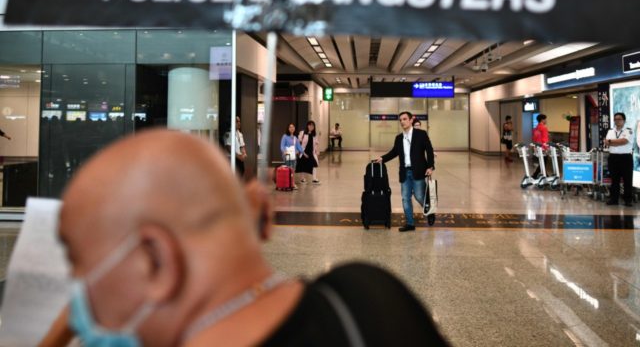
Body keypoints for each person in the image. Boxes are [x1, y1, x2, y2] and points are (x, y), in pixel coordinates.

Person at [41, 130, 449, 346]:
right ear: (263, 215)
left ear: (155, 261)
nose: (76, 290)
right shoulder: (367, 298)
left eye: (78, 259)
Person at [376, 111, 436, 231]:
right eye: (400, 120)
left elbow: (429, 150)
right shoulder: (399, 138)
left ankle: (430, 213)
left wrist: (430, 167)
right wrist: (383, 158)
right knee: (405, 198)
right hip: (405, 172)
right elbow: (394, 152)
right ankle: (410, 223)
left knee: (419, 196)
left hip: (418, 171)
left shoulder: (421, 134)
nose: (402, 122)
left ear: (411, 120)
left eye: (404, 119)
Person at [605, 112, 634, 207]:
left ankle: (628, 200)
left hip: (625, 158)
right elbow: (606, 142)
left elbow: (624, 141)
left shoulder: (628, 131)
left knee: (627, 180)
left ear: (624, 120)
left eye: (619, 119)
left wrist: (611, 142)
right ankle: (614, 199)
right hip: (613, 157)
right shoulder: (610, 131)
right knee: (614, 180)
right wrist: (613, 142)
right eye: (615, 119)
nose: (617, 121)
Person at [532, 114, 549, 178]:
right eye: (545, 119)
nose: (546, 120)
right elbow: (544, 139)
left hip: (537, 147)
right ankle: (535, 175)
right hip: (543, 148)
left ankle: (546, 175)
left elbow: (534, 138)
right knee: (543, 162)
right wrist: (546, 148)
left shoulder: (536, 128)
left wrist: (534, 147)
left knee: (542, 162)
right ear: (542, 120)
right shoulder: (544, 128)